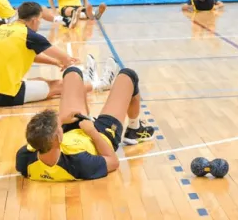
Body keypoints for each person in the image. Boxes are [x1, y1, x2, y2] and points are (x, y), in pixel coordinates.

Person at [16, 62, 156, 182]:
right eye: (58, 126)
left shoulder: (25, 158)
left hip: (72, 131)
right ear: (58, 137)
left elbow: (39, 136)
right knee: (128, 75)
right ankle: (134, 129)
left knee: (72, 72)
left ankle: (92, 86)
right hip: (101, 135)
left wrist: (62, 120)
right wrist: (92, 132)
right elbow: (113, 161)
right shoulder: (79, 163)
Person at [0, 2, 110, 107]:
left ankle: (87, 80)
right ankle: (98, 84)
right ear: (34, 20)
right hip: (7, 95)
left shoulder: (1, 29)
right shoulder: (29, 35)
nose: (40, 23)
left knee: (41, 80)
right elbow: (65, 58)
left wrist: (55, 62)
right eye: (40, 20)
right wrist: (68, 62)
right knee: (59, 85)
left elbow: (28, 54)